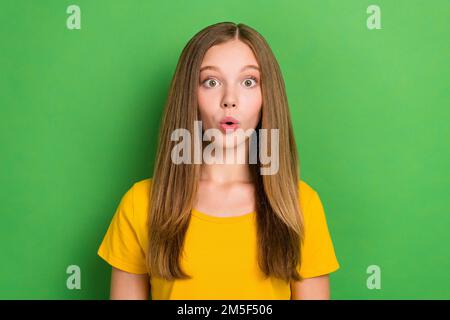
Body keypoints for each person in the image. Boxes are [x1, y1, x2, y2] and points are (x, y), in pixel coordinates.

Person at [97, 21, 339, 300]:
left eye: (249, 82)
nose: (230, 100)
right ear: (189, 96)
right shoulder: (141, 204)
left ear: (266, 97)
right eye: (211, 82)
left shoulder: (300, 206)